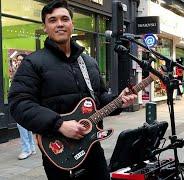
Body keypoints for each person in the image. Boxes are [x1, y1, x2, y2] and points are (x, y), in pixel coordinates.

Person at [8, 1, 137, 179]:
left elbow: (99, 99)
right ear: (45, 27)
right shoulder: (32, 63)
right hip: (59, 151)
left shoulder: (89, 63)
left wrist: (119, 101)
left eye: (64, 19)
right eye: (52, 20)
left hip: (92, 146)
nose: (59, 24)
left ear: (72, 24)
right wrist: (59, 125)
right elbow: (19, 104)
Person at [11, 54, 37, 160]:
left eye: (21, 60)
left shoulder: (28, 71)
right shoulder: (19, 71)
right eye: (17, 60)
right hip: (20, 100)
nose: (18, 62)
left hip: (26, 101)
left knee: (21, 125)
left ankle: (26, 150)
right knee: (25, 126)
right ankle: (31, 147)